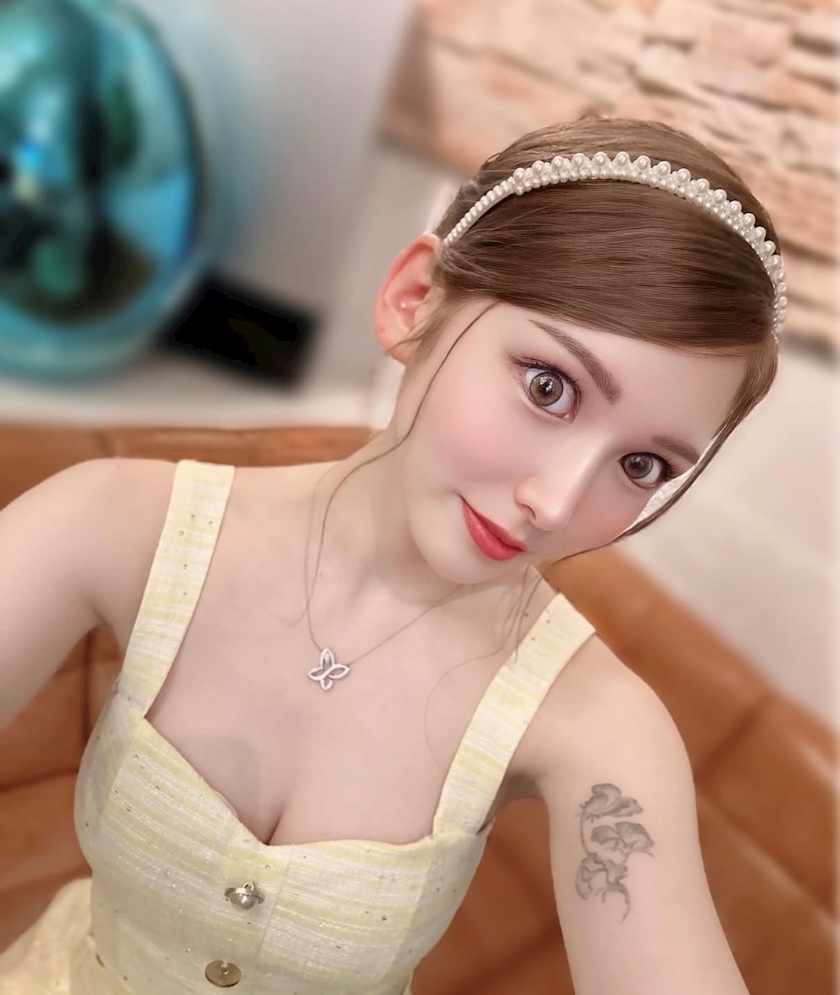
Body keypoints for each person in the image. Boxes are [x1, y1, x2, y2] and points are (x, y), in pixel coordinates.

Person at [0, 116, 782, 994]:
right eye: (548, 386)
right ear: (414, 300)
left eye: (642, 466)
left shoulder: (599, 724)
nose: (557, 503)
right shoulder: (114, 523)